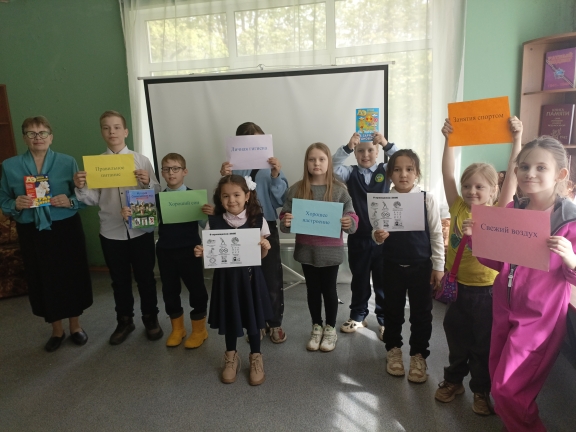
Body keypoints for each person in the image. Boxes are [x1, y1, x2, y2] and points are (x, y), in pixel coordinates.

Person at [462, 136, 576, 431]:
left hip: (539, 319)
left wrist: (571, 259)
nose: (530, 174)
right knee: (500, 381)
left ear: (561, 174)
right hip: (504, 309)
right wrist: (476, 238)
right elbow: (498, 262)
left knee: (507, 390)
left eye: (541, 167)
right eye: (524, 167)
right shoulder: (514, 210)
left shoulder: (570, 221)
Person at [436, 117, 522, 415]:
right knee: (456, 338)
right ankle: (453, 381)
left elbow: (512, 175)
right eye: (467, 186)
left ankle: (481, 390)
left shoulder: (498, 211)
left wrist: (517, 139)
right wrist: (449, 140)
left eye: (479, 187)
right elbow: (447, 173)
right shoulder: (458, 206)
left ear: (493, 190)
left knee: (483, 344)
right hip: (457, 288)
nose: (472, 191)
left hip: (487, 291)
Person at [0, 116, 92, 352]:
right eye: (31, 133)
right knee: (43, 278)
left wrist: (70, 201)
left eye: (42, 133)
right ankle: (56, 330)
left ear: (51, 137)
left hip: (65, 227)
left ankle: (75, 326)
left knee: (71, 275)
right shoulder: (9, 166)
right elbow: (4, 200)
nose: (37, 138)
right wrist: (15, 204)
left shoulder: (67, 162)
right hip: (32, 230)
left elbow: (82, 197)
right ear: (24, 138)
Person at [74, 110, 163, 345]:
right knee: (119, 281)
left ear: (125, 131)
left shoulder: (141, 160)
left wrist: (147, 182)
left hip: (140, 230)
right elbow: (93, 199)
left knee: (146, 278)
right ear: (102, 132)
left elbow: (155, 191)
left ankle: (150, 318)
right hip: (111, 232)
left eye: (116, 127)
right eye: (106, 128)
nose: (111, 132)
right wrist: (80, 187)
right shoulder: (96, 164)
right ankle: (125, 321)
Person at [121, 153, 210, 348]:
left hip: (191, 251)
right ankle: (178, 329)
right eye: (166, 169)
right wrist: (131, 217)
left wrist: (211, 214)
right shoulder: (155, 199)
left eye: (175, 168)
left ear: (185, 171)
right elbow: (148, 228)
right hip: (165, 252)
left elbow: (206, 225)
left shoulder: (195, 197)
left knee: (197, 290)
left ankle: (199, 330)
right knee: (169, 291)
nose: (171, 173)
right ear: (161, 173)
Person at [372, 150, 444, 383]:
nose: (403, 174)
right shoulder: (383, 200)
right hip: (392, 266)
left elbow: (436, 234)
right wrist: (378, 236)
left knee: (421, 314)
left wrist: (438, 266)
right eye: (397, 169)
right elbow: (376, 233)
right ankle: (393, 349)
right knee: (392, 312)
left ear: (417, 173)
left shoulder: (426, 199)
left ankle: (418, 355)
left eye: (409, 169)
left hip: (421, 268)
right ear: (390, 174)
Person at [194, 175, 272, 385]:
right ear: (220, 199)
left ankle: (256, 356)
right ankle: (231, 357)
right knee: (230, 318)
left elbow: (261, 257)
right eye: (226, 196)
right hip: (226, 281)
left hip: (251, 279)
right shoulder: (214, 222)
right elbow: (210, 252)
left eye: (237, 195)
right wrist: (201, 251)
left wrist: (265, 247)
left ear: (247, 196)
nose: (232, 200)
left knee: (253, 319)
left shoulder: (258, 220)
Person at [280, 143, 358, 352]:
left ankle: (330, 329)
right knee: (313, 290)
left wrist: (349, 222)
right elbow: (285, 215)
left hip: (330, 251)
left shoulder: (339, 189)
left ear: (329, 162)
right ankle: (316, 326)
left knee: (329, 290)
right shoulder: (297, 189)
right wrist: (286, 220)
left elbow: (352, 215)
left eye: (322, 159)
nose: (317, 163)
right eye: (312, 159)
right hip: (307, 250)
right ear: (306, 162)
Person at [220, 122, 289, 343]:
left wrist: (276, 175)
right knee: (247, 279)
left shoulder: (271, 167)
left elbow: (280, 201)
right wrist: (224, 177)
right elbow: (225, 200)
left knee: (271, 276)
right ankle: (255, 322)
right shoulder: (232, 167)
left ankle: (275, 322)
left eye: (257, 142)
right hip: (239, 226)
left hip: (266, 224)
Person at [332, 131, 397, 339]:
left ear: (377, 152)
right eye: (360, 151)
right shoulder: (349, 172)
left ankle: (384, 319)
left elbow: (401, 159)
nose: (365, 154)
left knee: (383, 281)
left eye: (370, 150)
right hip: (358, 237)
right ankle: (358, 316)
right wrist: (347, 147)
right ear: (355, 153)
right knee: (359, 279)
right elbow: (332, 166)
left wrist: (386, 144)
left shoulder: (386, 170)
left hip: (383, 238)